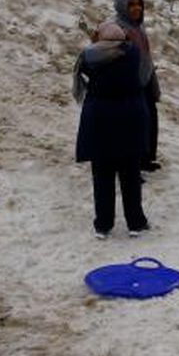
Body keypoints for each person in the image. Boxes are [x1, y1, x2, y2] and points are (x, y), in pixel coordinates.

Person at [73, 22, 151, 238]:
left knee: (102, 177)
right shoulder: (132, 54)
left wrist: (94, 40)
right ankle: (135, 223)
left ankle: (103, 225)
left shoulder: (89, 57)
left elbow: (90, 64)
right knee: (130, 178)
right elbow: (131, 48)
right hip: (129, 121)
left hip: (100, 122)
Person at [105, 0, 161, 171]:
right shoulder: (116, 29)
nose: (136, 8)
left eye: (139, 4)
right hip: (127, 87)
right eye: (131, 5)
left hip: (143, 83)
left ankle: (145, 160)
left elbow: (146, 56)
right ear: (122, 7)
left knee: (149, 122)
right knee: (132, 128)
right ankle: (131, 167)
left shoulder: (138, 27)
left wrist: (152, 83)